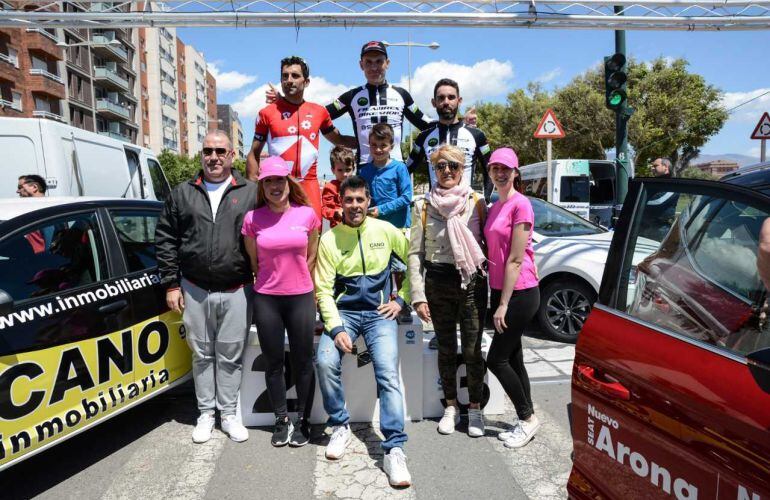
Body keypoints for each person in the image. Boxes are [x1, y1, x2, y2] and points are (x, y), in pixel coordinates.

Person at [155, 130, 257, 444]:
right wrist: (172, 284)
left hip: (236, 288)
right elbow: (166, 239)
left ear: (232, 156)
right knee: (201, 355)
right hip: (194, 288)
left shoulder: (251, 192)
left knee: (229, 355)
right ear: (202, 155)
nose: (213, 157)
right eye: (207, 151)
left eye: (220, 151)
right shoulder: (182, 193)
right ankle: (205, 414)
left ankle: (227, 414)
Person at [314, 175, 412, 487]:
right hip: (344, 313)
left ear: (368, 202)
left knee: (386, 372)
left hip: (379, 313)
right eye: (349, 200)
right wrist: (336, 327)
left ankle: (394, 447)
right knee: (325, 361)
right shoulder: (330, 239)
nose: (355, 205)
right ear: (340, 203)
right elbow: (324, 292)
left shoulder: (386, 230)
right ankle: (340, 425)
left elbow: (413, 263)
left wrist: (401, 299)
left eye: (360, 200)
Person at [408, 145, 488, 437]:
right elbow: (415, 253)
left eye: (453, 166)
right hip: (437, 282)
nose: (447, 172)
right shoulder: (423, 206)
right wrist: (418, 295)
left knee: (471, 349)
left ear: (462, 168)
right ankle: (451, 406)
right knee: (445, 348)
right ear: (434, 169)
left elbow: (489, 245)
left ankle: (475, 408)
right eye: (441, 166)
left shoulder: (476, 202)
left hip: (471, 283)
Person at [241, 156, 321, 447]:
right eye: (268, 181)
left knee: (302, 362)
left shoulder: (307, 215)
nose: (275, 186)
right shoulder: (252, 219)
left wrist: (302, 281)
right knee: (273, 363)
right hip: (267, 299)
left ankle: (303, 420)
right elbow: (253, 260)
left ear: (289, 182)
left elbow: (312, 255)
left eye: (279, 180)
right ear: (262, 186)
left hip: (300, 297)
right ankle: (281, 419)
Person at [266, 42, 431, 165]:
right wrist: (284, 102)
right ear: (361, 65)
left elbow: (426, 124)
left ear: (387, 63)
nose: (374, 67)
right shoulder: (352, 96)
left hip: (396, 166)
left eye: (379, 61)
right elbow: (317, 114)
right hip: (365, 167)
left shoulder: (401, 94)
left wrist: (412, 160)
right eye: (368, 62)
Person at [246, 56, 356, 219]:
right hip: (278, 187)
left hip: (309, 188)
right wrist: (253, 190)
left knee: (311, 241)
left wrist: (367, 142)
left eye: (295, 76)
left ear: (306, 82)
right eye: (285, 76)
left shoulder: (319, 112)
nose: (289, 80)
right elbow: (254, 154)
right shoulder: (266, 113)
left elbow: (339, 140)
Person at [483, 147, 541, 449]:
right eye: (496, 168)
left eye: (506, 169)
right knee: (514, 357)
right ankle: (527, 418)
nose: (501, 173)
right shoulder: (495, 205)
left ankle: (527, 418)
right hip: (501, 291)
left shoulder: (522, 205)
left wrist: (503, 303)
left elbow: (517, 259)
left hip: (519, 293)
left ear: (516, 172)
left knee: (497, 359)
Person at [406, 79, 492, 200]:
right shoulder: (423, 137)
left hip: (468, 211)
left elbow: (490, 170)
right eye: (441, 98)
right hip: (435, 210)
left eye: (451, 97)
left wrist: (487, 200)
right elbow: (405, 170)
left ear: (459, 101)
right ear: (433, 102)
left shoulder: (477, 135)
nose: (446, 102)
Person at [358, 123, 413, 230]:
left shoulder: (400, 168)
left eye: (383, 145)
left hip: (399, 227)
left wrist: (381, 209)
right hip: (375, 228)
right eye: (374, 145)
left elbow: (406, 197)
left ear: (391, 147)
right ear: (369, 145)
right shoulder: (364, 172)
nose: (378, 150)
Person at [321, 146, 356, 228]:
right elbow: (325, 209)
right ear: (333, 170)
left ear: (353, 169)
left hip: (356, 227)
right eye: (340, 170)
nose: (344, 174)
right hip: (338, 228)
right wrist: (335, 213)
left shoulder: (357, 186)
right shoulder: (330, 187)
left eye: (348, 170)